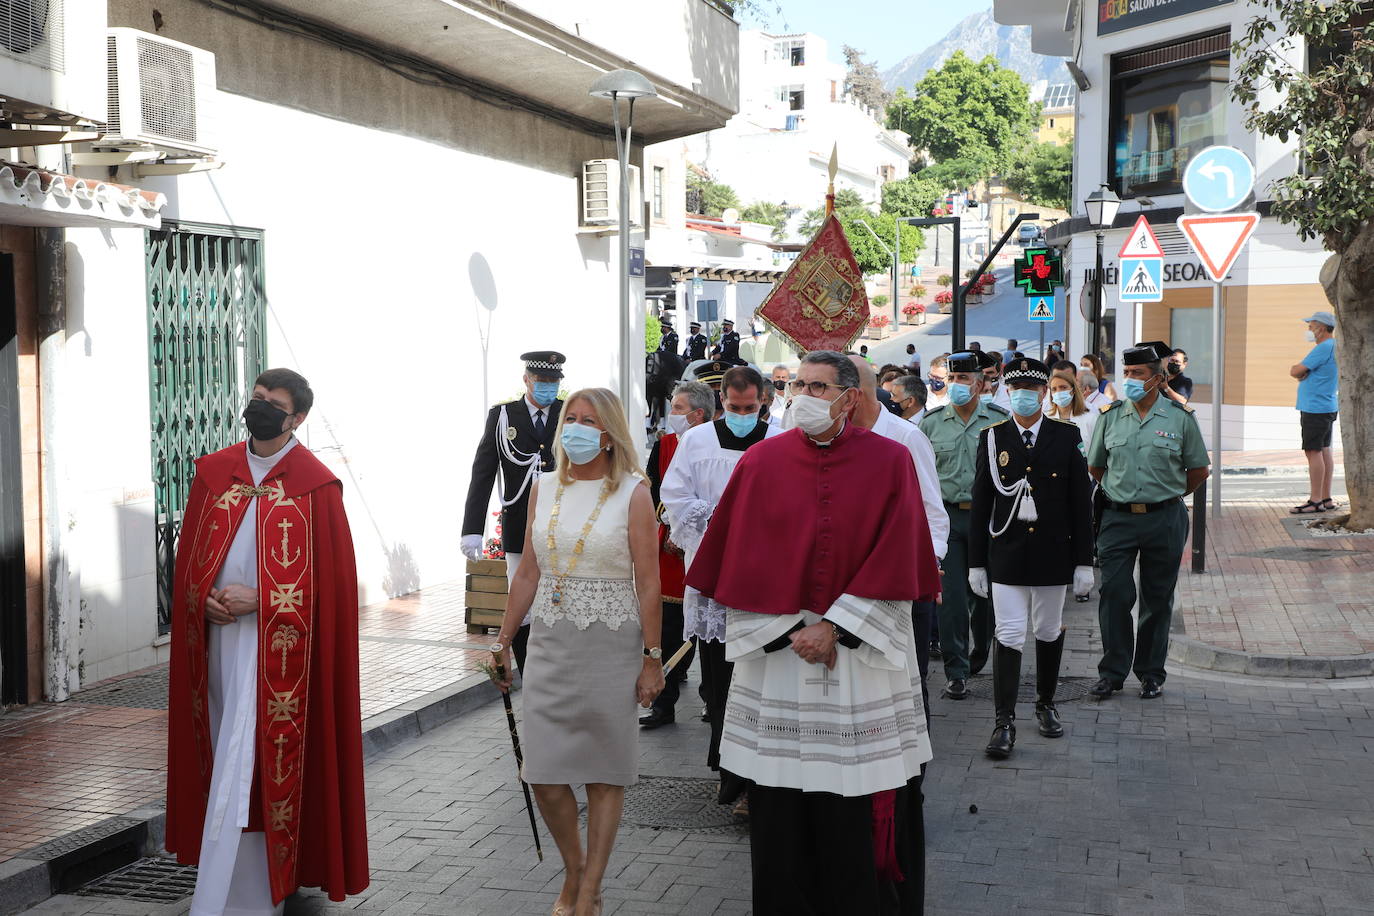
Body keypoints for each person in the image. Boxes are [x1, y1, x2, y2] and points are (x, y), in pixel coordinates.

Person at [686, 350, 939, 915]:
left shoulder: (892, 460)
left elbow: (900, 554)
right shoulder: (761, 462)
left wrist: (836, 628)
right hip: (779, 659)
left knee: (851, 803)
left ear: (850, 397)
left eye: (819, 387)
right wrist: (792, 629)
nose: (804, 395)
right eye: (798, 384)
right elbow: (737, 559)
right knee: (779, 805)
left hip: (857, 661)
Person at [166, 369, 368, 915]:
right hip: (218, 646)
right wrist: (200, 598)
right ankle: (228, 877)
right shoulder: (214, 473)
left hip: (280, 653)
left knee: (253, 758)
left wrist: (266, 598)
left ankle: (254, 888)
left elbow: (333, 585)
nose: (259, 408)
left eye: (272, 404)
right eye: (256, 399)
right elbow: (189, 563)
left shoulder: (315, 485)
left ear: (296, 418)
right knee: (224, 752)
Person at [491, 387, 665, 916]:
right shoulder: (543, 488)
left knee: (605, 771)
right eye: (571, 418)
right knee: (542, 771)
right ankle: (575, 868)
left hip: (613, 645)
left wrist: (652, 657)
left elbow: (649, 582)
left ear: (609, 432)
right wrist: (501, 641)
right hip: (550, 641)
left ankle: (588, 890)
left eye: (589, 420)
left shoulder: (634, 492)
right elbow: (527, 572)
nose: (577, 428)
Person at [661, 366, 780, 796]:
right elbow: (674, 495)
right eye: (734, 407)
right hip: (714, 568)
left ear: (763, 400)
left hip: (766, 574)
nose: (743, 414)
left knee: (760, 673)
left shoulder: (780, 440)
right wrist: (722, 524)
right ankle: (727, 766)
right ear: (722, 403)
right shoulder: (696, 441)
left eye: (751, 408)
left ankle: (758, 767)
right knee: (718, 675)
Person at [968, 358, 1095, 759]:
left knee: (1047, 629)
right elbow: (981, 503)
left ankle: (1045, 703)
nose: (1023, 395)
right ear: (1007, 392)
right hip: (1006, 553)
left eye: (1031, 389)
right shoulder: (992, 438)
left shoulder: (1065, 435)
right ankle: (1003, 722)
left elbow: (1080, 504)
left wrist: (1084, 561)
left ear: (1044, 394)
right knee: (1007, 634)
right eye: (1016, 388)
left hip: (1053, 553)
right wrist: (975, 562)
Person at [1087, 341, 1210, 701]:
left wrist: (1166, 493)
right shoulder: (1110, 416)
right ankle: (1112, 673)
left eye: (1137, 374)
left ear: (1156, 379)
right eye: (1126, 373)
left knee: (1157, 597)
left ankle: (1151, 672)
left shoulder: (1180, 418)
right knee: (1114, 593)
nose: (1129, 380)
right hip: (1117, 519)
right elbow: (1096, 467)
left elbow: (1199, 469)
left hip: (1164, 518)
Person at [847, 355, 948, 725]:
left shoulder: (906, 437)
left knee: (906, 681)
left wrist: (929, 566)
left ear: (854, 393)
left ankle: (911, 774)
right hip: (852, 583)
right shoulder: (833, 436)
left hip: (903, 580)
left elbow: (932, 511)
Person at [462, 351, 566, 671]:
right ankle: (527, 666)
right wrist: (472, 528)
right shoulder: (504, 416)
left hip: (563, 523)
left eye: (553, 382)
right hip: (519, 523)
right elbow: (483, 472)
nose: (548, 387)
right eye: (541, 381)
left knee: (559, 596)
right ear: (526, 380)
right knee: (522, 600)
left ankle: (558, 665)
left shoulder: (569, 414)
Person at [919, 350, 1009, 698]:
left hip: (988, 517)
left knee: (984, 595)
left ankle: (980, 651)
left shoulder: (1000, 420)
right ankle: (956, 670)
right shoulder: (931, 422)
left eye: (964, 379)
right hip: (947, 518)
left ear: (981, 384)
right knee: (952, 596)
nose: (956, 386)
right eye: (952, 379)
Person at [640, 382, 713, 729]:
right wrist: (669, 529)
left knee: (710, 631)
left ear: (698, 413)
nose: (673, 414)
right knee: (669, 628)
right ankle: (663, 704)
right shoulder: (665, 444)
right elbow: (655, 488)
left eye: (678, 408)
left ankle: (712, 700)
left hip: (709, 548)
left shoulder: (717, 442)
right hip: (670, 549)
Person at [1290, 311, 1340, 514]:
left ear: (1321, 327)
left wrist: (1299, 371)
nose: (1309, 329)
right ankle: (1326, 497)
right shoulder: (1334, 346)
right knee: (1324, 450)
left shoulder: (1324, 347)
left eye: (1311, 325)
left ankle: (1315, 500)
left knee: (1313, 451)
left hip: (1315, 407)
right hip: (1325, 405)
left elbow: (1296, 370)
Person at [1047, 368, 1097, 445]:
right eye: (1054, 389)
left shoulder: (1090, 418)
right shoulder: (1046, 418)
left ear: (1073, 390)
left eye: (1063, 387)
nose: (1058, 392)